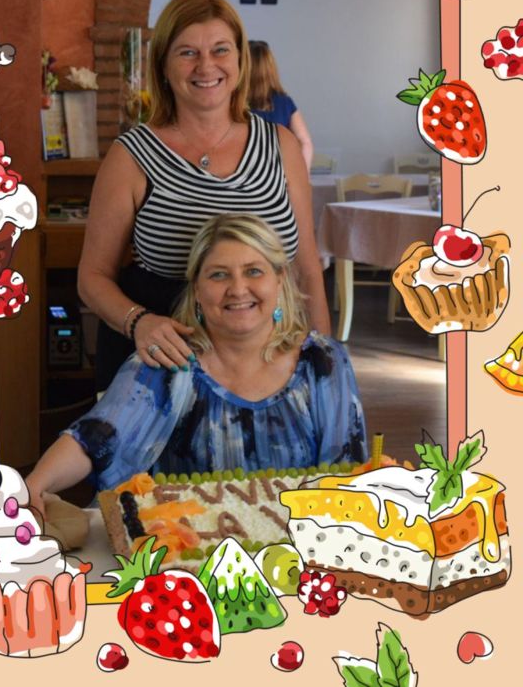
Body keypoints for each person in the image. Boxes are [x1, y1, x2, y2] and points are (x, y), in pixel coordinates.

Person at [27, 214, 366, 515]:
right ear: (198, 291)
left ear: (279, 280)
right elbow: (95, 437)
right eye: (219, 275)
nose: (238, 289)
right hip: (183, 549)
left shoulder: (324, 362)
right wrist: (35, 485)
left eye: (254, 271)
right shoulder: (168, 360)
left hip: (296, 547)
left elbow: (346, 476)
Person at [78, 0, 330, 392]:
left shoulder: (281, 145)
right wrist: (139, 322)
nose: (206, 66)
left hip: (267, 364)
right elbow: (92, 277)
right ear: (163, 65)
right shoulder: (131, 156)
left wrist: (325, 363)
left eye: (220, 50)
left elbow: (306, 267)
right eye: (187, 53)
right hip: (163, 369)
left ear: (240, 60)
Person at [248, 40, 314, 170]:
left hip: (245, 177)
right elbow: (305, 143)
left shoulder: (232, 104)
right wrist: (303, 176)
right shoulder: (284, 103)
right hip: (279, 176)